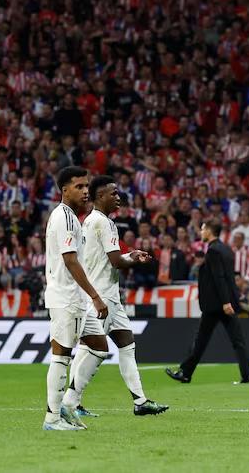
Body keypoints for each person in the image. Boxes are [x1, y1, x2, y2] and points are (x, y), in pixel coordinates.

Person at [61, 176, 168, 418]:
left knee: (126, 343)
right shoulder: (106, 224)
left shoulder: (88, 221)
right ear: (100, 197)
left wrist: (130, 253)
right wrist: (134, 258)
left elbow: (106, 257)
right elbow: (116, 261)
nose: (118, 197)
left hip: (106, 296)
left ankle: (140, 401)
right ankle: (70, 401)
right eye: (113, 193)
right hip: (102, 297)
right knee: (93, 350)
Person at [42, 166, 108, 432]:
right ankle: (52, 418)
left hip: (75, 298)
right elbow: (70, 260)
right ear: (64, 190)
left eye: (87, 186)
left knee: (99, 346)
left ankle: (69, 404)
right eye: (79, 186)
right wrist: (96, 296)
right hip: (67, 298)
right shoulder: (66, 218)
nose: (85, 191)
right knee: (61, 356)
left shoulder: (69, 217)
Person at [166, 220, 249, 385]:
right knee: (237, 341)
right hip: (225, 303)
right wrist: (230, 301)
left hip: (216, 305)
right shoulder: (227, 249)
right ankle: (248, 376)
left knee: (201, 341)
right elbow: (229, 277)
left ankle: (185, 373)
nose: (201, 233)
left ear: (209, 231)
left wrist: (225, 302)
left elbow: (219, 278)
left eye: (202, 229)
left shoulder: (213, 251)